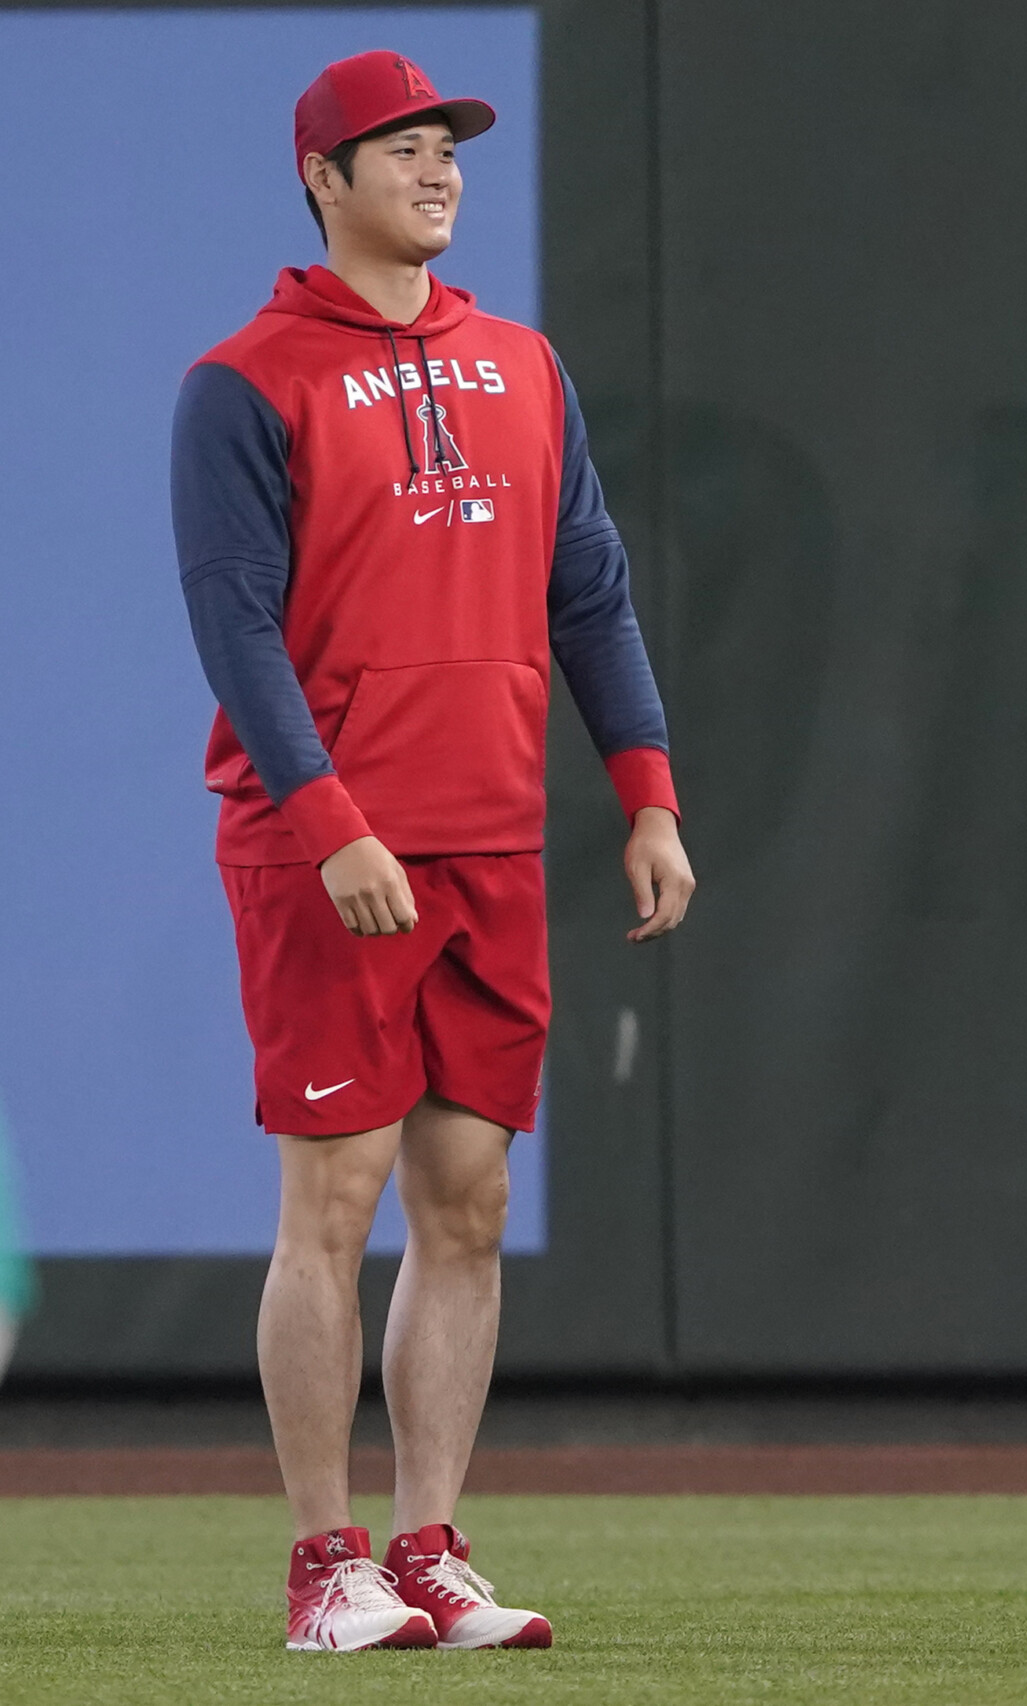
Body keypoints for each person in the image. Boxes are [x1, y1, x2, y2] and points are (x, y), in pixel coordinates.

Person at [171, 50, 694, 1653]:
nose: (439, 170)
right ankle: (324, 1564)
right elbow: (233, 620)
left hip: (489, 843)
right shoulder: (245, 379)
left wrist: (648, 791)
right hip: (330, 849)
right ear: (324, 178)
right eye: (401, 150)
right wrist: (326, 819)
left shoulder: (524, 367)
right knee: (331, 1200)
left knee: (464, 1205)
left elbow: (589, 589)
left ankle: (430, 1546)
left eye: (448, 147)